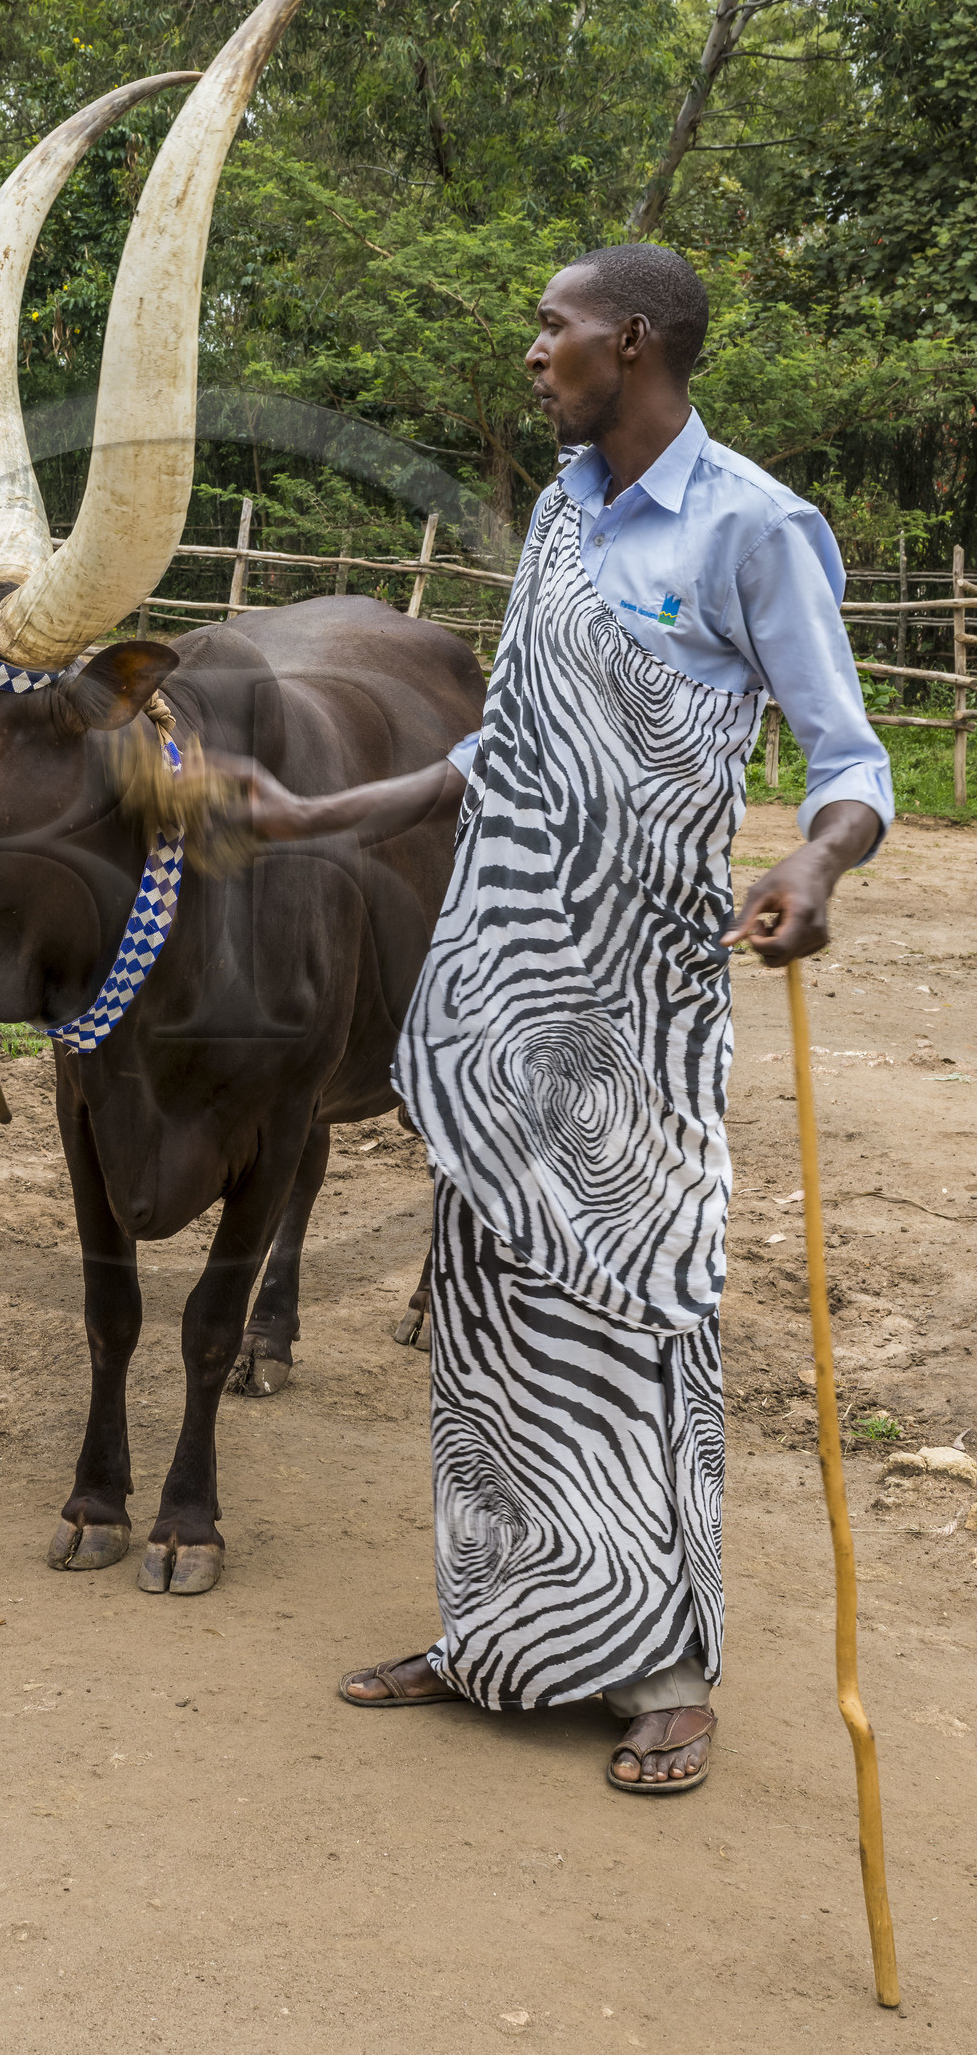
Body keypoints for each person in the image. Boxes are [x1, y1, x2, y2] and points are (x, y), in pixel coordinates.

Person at [230, 245, 891, 1794]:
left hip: (638, 1001)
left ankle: (667, 1676)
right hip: (497, 978)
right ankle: (502, 1637)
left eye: (556, 327)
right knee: (488, 1309)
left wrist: (811, 858)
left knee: (637, 1312)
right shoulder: (560, 513)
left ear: (634, 339)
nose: (536, 352)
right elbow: (501, 754)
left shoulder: (755, 525)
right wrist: (316, 813)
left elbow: (851, 763)